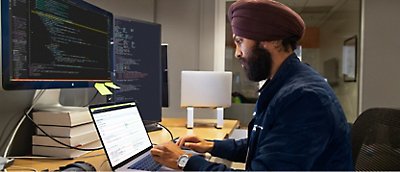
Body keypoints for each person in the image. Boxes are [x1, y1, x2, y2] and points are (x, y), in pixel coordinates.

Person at [150, 0, 354, 170]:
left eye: (240, 41)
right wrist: (212, 146)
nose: (237, 52)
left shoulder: (304, 98)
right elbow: (265, 143)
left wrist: (184, 161)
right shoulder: (283, 84)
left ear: (272, 41)